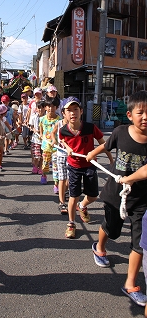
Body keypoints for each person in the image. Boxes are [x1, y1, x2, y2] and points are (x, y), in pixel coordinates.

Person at [87, 90, 147, 307]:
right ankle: (99, 248)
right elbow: (107, 145)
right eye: (141, 112)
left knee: (141, 243)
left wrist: (130, 179)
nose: (146, 117)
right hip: (115, 194)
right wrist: (93, 154)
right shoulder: (121, 131)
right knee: (112, 229)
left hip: (142, 200)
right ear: (130, 115)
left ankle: (131, 284)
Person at [59, 96, 113, 240]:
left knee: (93, 196)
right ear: (63, 113)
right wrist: (67, 147)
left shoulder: (90, 127)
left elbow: (104, 144)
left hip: (90, 165)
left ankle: (83, 206)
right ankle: (71, 223)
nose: (72, 113)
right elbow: (62, 140)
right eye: (68, 110)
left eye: (75, 109)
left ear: (81, 111)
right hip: (74, 166)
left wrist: (111, 160)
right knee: (73, 196)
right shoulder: (63, 130)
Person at [51, 107, 69, 214]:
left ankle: (65, 192)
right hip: (61, 153)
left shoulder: (77, 124)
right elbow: (53, 133)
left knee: (69, 179)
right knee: (62, 178)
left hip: (73, 156)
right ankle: (62, 202)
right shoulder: (59, 123)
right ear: (63, 113)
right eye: (68, 111)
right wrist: (54, 140)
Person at [39, 97, 60, 185]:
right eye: (49, 106)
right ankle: (44, 175)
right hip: (46, 146)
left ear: (57, 107)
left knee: (56, 165)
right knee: (45, 162)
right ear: (45, 107)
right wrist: (40, 134)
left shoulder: (59, 120)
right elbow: (41, 128)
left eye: (53, 106)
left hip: (56, 147)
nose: (51, 108)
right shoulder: (42, 119)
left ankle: (56, 183)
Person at [31, 100, 45, 175]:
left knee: (42, 155)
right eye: (39, 108)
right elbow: (31, 126)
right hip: (36, 139)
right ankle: (35, 166)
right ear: (36, 108)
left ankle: (40, 167)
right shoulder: (34, 117)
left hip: (44, 140)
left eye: (42, 108)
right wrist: (35, 130)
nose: (40, 110)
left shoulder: (46, 118)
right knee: (36, 155)